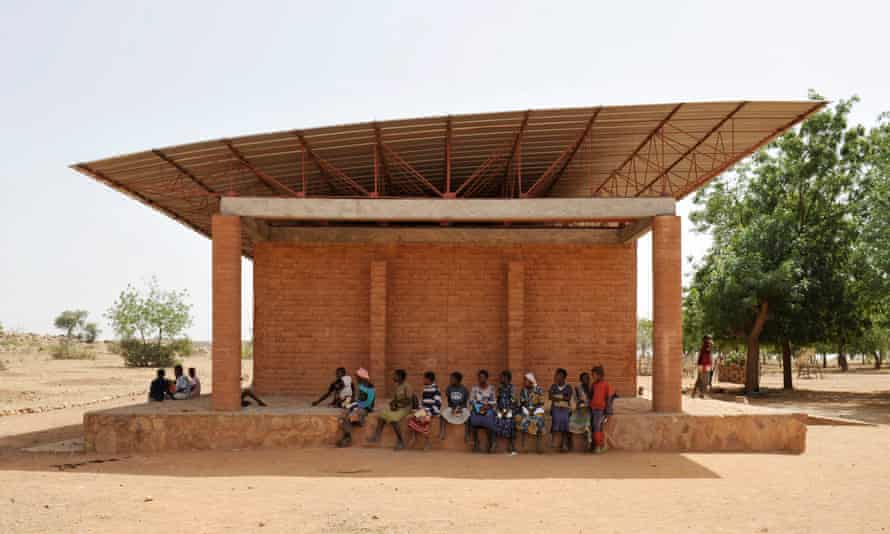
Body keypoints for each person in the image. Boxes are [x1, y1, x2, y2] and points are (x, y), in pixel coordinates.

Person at [367, 369, 413, 450]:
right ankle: (376, 436)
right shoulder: (398, 386)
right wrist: (392, 403)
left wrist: (397, 404)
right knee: (382, 414)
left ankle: (401, 441)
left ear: (400, 377)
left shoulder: (407, 386)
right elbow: (395, 399)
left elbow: (408, 400)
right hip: (398, 408)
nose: (393, 377)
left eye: (395, 375)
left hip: (405, 408)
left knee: (393, 419)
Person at [337, 368, 375, 447]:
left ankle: (349, 435)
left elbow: (369, 402)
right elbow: (358, 398)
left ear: (361, 377)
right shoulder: (360, 385)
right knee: (344, 414)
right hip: (359, 405)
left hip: (366, 407)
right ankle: (347, 436)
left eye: (357, 377)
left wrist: (356, 405)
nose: (356, 378)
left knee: (353, 414)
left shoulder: (370, 387)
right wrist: (351, 401)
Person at [406, 371, 442, 450]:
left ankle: (427, 442)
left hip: (431, 411)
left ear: (429, 379)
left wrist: (429, 412)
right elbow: (423, 402)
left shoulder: (436, 389)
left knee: (423, 420)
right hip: (424, 410)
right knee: (411, 418)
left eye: (424, 379)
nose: (423, 380)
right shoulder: (425, 389)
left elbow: (438, 403)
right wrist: (418, 409)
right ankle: (414, 437)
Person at [516, 372, 546, 453]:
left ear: (531, 381)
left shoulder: (538, 389)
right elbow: (522, 402)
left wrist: (534, 409)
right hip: (526, 409)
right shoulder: (523, 390)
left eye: (526, 380)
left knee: (539, 420)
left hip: (537, 409)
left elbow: (542, 402)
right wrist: (528, 409)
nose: (524, 382)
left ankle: (539, 446)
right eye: (524, 380)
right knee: (523, 420)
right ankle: (524, 446)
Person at [468, 369, 497, 453]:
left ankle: (491, 443)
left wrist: (487, 405)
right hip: (477, 409)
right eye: (480, 377)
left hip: (488, 408)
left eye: (483, 377)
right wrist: (478, 405)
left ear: (486, 378)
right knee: (473, 422)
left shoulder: (491, 388)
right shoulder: (475, 389)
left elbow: (494, 401)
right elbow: (471, 400)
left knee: (489, 421)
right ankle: (476, 443)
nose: (481, 379)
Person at [589, 365, 616, 454]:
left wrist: (608, 411)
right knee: (596, 426)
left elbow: (609, 399)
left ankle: (598, 445)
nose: (593, 377)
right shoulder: (594, 385)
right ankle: (598, 445)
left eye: (594, 375)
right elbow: (592, 396)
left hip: (600, 409)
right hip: (593, 408)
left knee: (597, 426)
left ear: (600, 375)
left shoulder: (606, 385)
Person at [440, 371, 470, 441]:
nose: (450, 380)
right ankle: (442, 432)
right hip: (452, 408)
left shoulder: (464, 389)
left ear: (458, 380)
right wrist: (453, 408)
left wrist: (460, 408)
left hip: (462, 408)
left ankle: (467, 435)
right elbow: (449, 400)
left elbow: (465, 401)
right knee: (443, 415)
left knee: (468, 416)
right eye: (450, 378)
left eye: (452, 379)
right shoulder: (449, 388)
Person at [549, 368, 573, 452]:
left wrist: (557, 397)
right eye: (556, 375)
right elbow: (550, 397)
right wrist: (562, 397)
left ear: (563, 377)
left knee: (565, 420)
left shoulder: (568, 387)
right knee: (556, 419)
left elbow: (568, 398)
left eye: (558, 375)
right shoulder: (553, 386)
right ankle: (553, 441)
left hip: (565, 408)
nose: (556, 377)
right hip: (555, 408)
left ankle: (564, 443)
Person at [493, 370, 517, 453]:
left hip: (510, 410)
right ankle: (494, 443)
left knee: (510, 421)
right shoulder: (500, 388)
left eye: (502, 377)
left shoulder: (512, 388)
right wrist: (499, 410)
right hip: (500, 410)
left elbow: (513, 401)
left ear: (507, 378)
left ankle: (511, 444)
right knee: (496, 419)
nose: (501, 379)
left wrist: (507, 411)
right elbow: (497, 400)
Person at [569, 372, 592, 450]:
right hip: (579, 410)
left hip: (588, 410)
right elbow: (574, 400)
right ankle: (569, 444)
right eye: (585, 379)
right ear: (581, 380)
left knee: (587, 425)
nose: (587, 380)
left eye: (588, 378)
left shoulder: (592, 388)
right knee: (570, 423)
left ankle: (589, 444)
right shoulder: (577, 388)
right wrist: (578, 403)